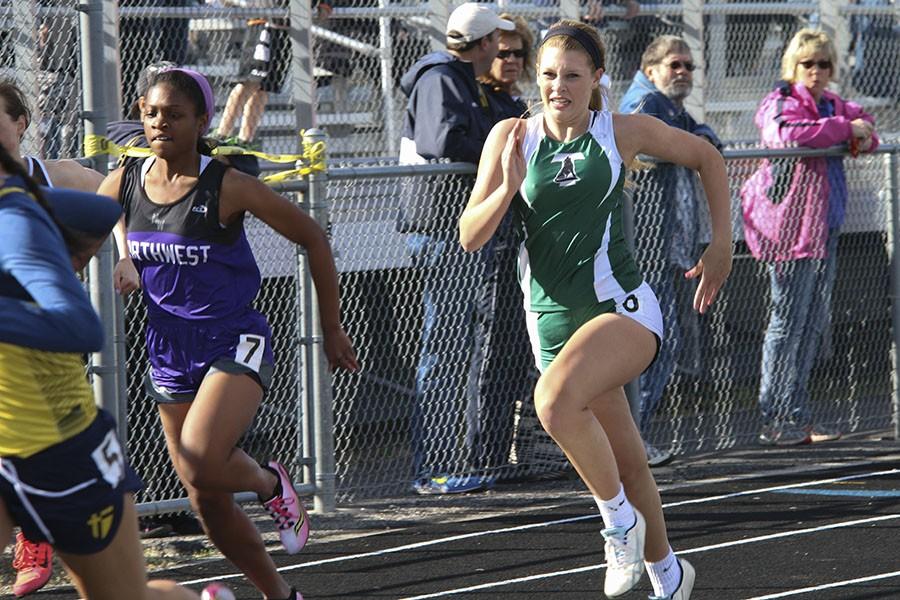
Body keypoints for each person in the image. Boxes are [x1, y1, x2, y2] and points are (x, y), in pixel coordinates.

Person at [460, 20, 732, 600]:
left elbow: (706, 156)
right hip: (552, 323)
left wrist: (721, 243)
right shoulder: (511, 137)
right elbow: (469, 236)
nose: (559, 86)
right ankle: (669, 575)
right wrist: (506, 188)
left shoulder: (620, 130)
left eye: (573, 75)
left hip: (623, 310)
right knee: (629, 462)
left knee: (552, 402)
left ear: (597, 79)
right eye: (549, 75)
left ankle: (618, 523)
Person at [100, 67, 357, 600]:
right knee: (205, 497)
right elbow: (88, 219)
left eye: (173, 114)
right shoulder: (126, 179)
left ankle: (269, 483)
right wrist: (122, 256)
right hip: (169, 349)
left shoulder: (227, 185)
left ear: (200, 121)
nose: (160, 123)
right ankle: (281, 595)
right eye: (150, 113)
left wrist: (331, 328)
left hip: (233, 339)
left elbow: (313, 237)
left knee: (198, 455)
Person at [0, 142, 225, 600]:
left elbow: (82, 327)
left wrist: (30, 215)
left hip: (64, 456)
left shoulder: (14, 227)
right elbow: (95, 213)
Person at [740, 28, 879, 446]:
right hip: (789, 229)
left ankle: (796, 414)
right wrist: (844, 130)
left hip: (827, 225)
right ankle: (775, 416)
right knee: (786, 321)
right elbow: (788, 135)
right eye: (808, 63)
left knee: (812, 322)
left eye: (824, 64)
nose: (816, 71)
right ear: (793, 65)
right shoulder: (779, 101)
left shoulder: (833, 104)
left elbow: (869, 131)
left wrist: (853, 129)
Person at [397, 3, 515, 494]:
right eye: (497, 42)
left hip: (456, 227)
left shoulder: (459, 77)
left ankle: (445, 462)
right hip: (442, 228)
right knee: (443, 348)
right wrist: (499, 147)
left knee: (452, 346)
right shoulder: (441, 76)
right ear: (483, 42)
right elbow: (441, 138)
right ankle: (434, 468)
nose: (501, 52)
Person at [0, 78, 106, 597]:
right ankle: (32, 536)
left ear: (20, 124)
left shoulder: (48, 183)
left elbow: (112, 199)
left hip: (50, 366)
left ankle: (37, 536)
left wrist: (117, 258)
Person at [618, 36, 723, 468]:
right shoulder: (646, 103)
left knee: (666, 342)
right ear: (652, 66)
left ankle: (630, 438)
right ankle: (628, 439)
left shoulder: (671, 106)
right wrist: (688, 143)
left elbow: (708, 140)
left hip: (669, 248)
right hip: (645, 249)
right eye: (674, 65)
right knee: (653, 343)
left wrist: (690, 141)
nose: (683, 73)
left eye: (689, 66)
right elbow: (680, 143)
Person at [474, 15, 542, 482]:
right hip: (490, 243)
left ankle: (511, 453)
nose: (513, 61)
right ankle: (486, 456)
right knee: (491, 353)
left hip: (522, 247)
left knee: (518, 356)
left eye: (520, 53)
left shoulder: (517, 104)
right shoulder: (483, 103)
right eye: (504, 53)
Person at [213, 0, 296, 150]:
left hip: (286, 28)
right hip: (263, 23)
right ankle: (221, 134)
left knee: (264, 88)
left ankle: (246, 140)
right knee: (249, 82)